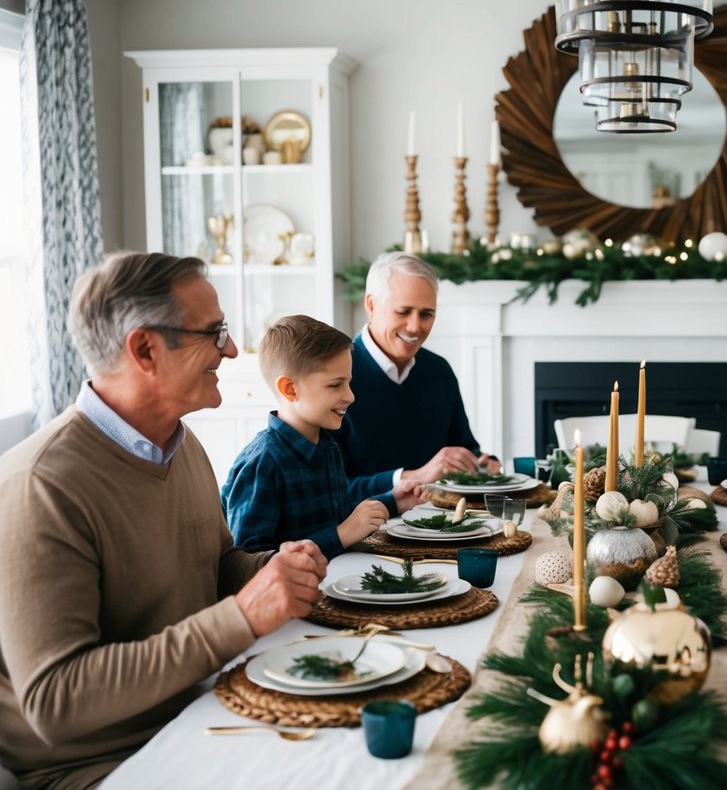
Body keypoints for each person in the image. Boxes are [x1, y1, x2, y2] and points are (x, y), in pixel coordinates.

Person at [0, 252, 328, 788]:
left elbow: (217, 566)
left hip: (202, 715)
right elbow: (55, 699)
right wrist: (243, 616)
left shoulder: (181, 443)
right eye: (214, 331)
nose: (232, 348)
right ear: (145, 349)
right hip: (103, 766)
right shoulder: (40, 486)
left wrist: (274, 570)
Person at [223, 315, 412, 559]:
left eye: (349, 383)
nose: (350, 396)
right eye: (335, 385)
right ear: (290, 389)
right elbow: (249, 562)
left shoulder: (328, 448)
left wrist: (392, 501)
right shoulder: (262, 463)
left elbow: (339, 519)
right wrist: (341, 534)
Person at [337, 253, 498, 500]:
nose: (415, 327)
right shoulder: (334, 377)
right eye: (403, 312)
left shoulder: (439, 370)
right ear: (371, 305)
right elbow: (328, 489)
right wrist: (412, 476)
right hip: (366, 531)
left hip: (439, 525)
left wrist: (480, 463)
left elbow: (465, 446)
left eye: (426, 314)